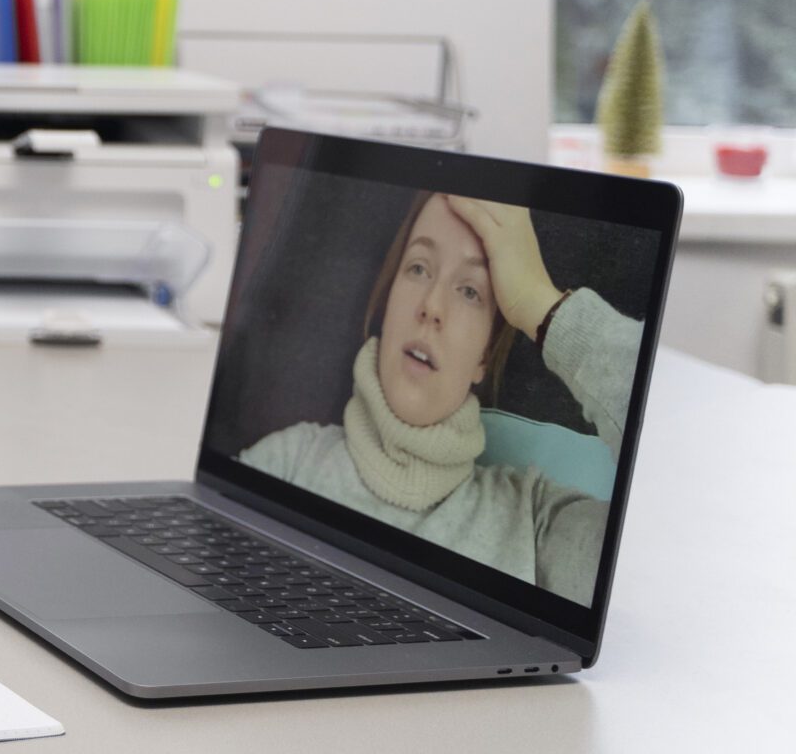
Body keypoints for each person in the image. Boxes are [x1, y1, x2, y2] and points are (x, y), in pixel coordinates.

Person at [236, 189, 643, 606]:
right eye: (417, 268)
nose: (431, 306)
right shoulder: (288, 464)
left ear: (483, 355)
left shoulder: (538, 527)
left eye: (469, 291)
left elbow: (682, 483)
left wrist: (546, 310)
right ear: (388, 301)